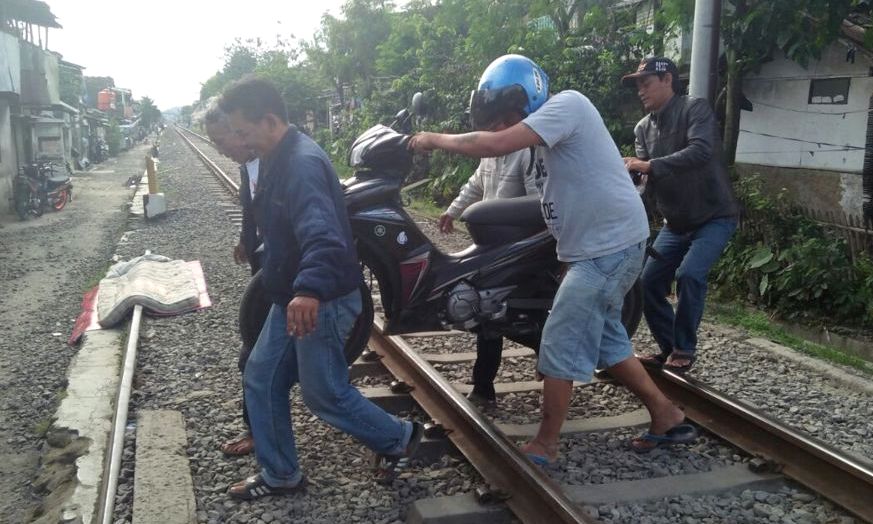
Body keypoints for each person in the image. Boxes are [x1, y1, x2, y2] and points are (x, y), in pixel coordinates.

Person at [410, 54, 697, 460]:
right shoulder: (547, 141)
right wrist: (565, 257)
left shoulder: (568, 105)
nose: (502, 126)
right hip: (594, 249)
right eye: (496, 120)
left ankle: (546, 443)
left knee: (559, 339)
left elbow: (493, 146)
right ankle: (667, 415)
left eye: (506, 115)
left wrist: (433, 138)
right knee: (608, 341)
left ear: (527, 98)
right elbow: (562, 198)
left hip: (610, 247)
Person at [219, 77, 422, 499]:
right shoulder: (276, 156)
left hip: (321, 299)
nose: (239, 140)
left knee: (324, 395)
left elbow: (325, 237)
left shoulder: (300, 164)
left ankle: (400, 438)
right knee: (260, 377)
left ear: (270, 121)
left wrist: (307, 290)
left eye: (243, 131)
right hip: (289, 295)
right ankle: (280, 475)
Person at [621, 57, 738, 374]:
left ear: (667, 80)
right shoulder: (643, 128)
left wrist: (649, 166)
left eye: (646, 83)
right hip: (676, 221)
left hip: (715, 215)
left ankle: (684, 348)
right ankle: (670, 347)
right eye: (637, 85)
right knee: (647, 283)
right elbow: (645, 176)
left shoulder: (694, 109)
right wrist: (630, 173)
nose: (640, 91)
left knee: (690, 274)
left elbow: (701, 151)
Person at [439, 149, 538, 406]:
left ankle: (485, 386)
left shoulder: (526, 153)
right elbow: (476, 183)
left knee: (499, 316)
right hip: (492, 243)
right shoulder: (491, 154)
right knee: (491, 312)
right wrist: (453, 210)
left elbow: (537, 200)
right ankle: (484, 387)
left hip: (520, 248)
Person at [203, 105, 262, 457]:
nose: (218, 147)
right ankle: (260, 433)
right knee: (255, 357)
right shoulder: (246, 165)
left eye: (220, 139)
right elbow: (250, 209)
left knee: (251, 358)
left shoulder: (279, 162)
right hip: (266, 270)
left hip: (283, 279)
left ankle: (261, 435)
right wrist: (245, 239)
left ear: (240, 131)